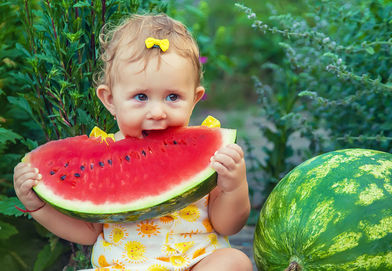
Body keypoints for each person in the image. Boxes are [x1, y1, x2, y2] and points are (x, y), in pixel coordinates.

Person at [12, 14, 252, 270]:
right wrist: (39, 208)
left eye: (173, 97)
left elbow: (228, 224)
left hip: (194, 262)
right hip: (119, 266)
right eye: (141, 96)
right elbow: (88, 232)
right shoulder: (100, 155)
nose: (157, 111)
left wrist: (233, 186)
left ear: (195, 98)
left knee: (234, 261)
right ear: (110, 100)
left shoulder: (211, 155)